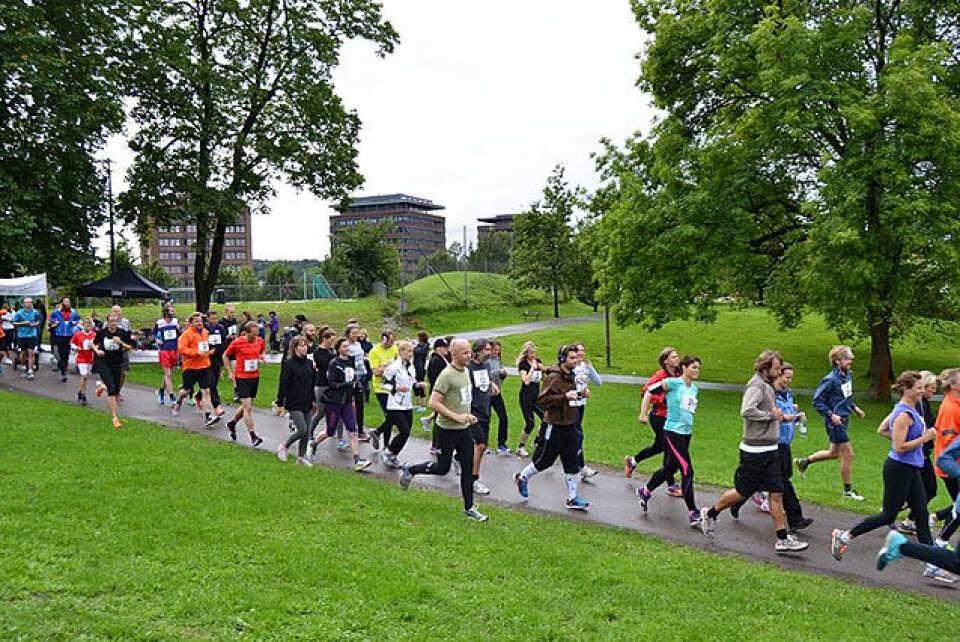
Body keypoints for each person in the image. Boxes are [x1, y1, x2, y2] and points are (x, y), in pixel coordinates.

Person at [830, 371, 954, 582]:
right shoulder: (904, 414)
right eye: (919, 389)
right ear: (907, 390)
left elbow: (884, 431)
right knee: (888, 515)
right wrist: (924, 439)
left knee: (922, 516)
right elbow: (899, 446)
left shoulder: (911, 410)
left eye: (923, 388)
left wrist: (912, 441)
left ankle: (932, 565)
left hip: (912, 468)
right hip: (899, 469)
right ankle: (844, 535)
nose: (923, 391)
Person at [698, 352, 809, 552]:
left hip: (771, 448)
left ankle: (782, 539)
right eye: (776, 368)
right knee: (742, 491)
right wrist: (770, 416)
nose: (779, 372)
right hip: (754, 450)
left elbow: (772, 412)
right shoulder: (756, 385)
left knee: (776, 493)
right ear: (765, 368)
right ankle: (711, 513)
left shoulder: (768, 385)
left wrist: (783, 417)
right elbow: (747, 410)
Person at [399, 338, 488, 522]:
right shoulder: (447, 375)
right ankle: (411, 469)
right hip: (446, 430)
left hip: (464, 429)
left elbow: (461, 399)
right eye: (465, 353)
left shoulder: (465, 371)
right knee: (442, 468)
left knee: (467, 467)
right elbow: (433, 402)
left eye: (469, 352)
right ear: (454, 354)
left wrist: (468, 415)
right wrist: (456, 417)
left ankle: (469, 508)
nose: (469, 355)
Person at [513, 344, 591, 511]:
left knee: (571, 462)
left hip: (570, 423)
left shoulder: (574, 375)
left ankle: (572, 498)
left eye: (576, 357)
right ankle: (523, 477)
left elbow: (574, 394)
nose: (575, 360)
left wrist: (582, 394)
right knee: (545, 461)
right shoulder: (554, 377)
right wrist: (564, 397)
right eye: (572, 358)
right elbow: (542, 400)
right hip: (554, 425)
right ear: (562, 359)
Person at [636, 355, 703, 526]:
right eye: (694, 367)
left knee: (669, 468)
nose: (697, 371)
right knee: (687, 469)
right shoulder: (673, 383)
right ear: (684, 367)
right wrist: (643, 413)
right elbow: (650, 390)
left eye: (698, 368)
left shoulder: (694, 389)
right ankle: (693, 512)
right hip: (672, 432)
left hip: (686, 433)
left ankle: (645, 491)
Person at [796, 345, 867, 500]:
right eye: (847, 358)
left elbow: (845, 396)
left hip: (844, 418)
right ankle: (847, 491)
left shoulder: (847, 375)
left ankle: (804, 462)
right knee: (848, 454)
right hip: (835, 422)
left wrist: (855, 408)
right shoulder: (830, 380)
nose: (851, 361)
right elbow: (817, 401)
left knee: (833, 453)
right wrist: (831, 415)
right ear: (837, 361)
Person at [307, 337, 372, 471]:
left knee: (353, 430)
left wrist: (356, 387)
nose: (347, 349)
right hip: (334, 401)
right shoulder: (334, 364)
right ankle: (313, 444)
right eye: (344, 347)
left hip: (347, 400)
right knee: (330, 431)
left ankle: (357, 460)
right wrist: (347, 384)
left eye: (348, 347)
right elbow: (332, 384)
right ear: (338, 349)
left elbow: (353, 377)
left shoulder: (350, 361)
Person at [625, 347, 681, 497]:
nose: (677, 359)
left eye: (677, 357)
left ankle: (633, 460)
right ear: (665, 360)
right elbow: (646, 392)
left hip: (672, 417)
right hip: (659, 417)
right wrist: (661, 400)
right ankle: (671, 485)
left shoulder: (678, 374)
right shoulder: (660, 376)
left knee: (658, 447)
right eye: (673, 357)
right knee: (668, 449)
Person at [896, 371, 939, 534]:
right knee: (928, 489)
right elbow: (896, 439)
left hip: (922, 453)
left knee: (927, 490)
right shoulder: (910, 408)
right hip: (917, 455)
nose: (933, 392)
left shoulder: (923, 404)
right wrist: (925, 438)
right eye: (931, 388)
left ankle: (907, 513)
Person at [376, 340, 423, 467]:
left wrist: (417, 385)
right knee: (404, 431)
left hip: (407, 404)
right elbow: (383, 384)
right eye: (408, 351)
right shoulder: (393, 367)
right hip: (395, 404)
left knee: (407, 432)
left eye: (412, 351)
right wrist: (396, 388)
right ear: (401, 352)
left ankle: (393, 455)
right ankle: (388, 452)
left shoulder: (410, 367)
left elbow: (411, 382)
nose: (411, 354)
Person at [277, 336, 318, 466]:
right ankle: (284, 446)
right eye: (301, 346)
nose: (304, 348)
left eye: (305, 346)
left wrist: (314, 400)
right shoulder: (289, 364)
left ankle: (301, 456)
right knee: (302, 429)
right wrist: (280, 402)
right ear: (295, 348)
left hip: (307, 400)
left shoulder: (309, 364)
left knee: (307, 431)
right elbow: (283, 383)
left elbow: (311, 383)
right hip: (294, 401)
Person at [171, 312, 217, 427]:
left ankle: (207, 416)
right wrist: (196, 353)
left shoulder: (205, 332)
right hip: (190, 367)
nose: (200, 323)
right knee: (185, 391)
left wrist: (208, 352)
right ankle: (178, 401)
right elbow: (181, 349)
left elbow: (205, 346)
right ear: (191, 323)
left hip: (204, 366)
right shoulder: (186, 335)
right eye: (197, 321)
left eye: (201, 321)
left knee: (206, 391)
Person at [223, 321, 265, 447]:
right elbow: (225, 355)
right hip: (242, 377)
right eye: (253, 334)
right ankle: (253, 436)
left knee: (246, 405)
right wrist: (230, 372)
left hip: (254, 376)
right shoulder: (237, 342)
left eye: (257, 333)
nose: (255, 336)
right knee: (248, 407)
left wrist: (262, 357)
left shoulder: (259, 341)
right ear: (246, 332)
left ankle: (232, 423)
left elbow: (262, 350)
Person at [932, 368, 960, 545]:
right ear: (952, 385)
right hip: (952, 467)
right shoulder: (950, 408)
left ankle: (936, 517)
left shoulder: (955, 403)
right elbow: (950, 441)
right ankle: (941, 542)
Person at [92, 312, 133, 428]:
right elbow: (93, 344)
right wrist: (97, 351)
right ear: (108, 322)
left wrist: (121, 342)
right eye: (111, 321)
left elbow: (130, 347)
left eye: (115, 321)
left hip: (116, 363)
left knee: (114, 389)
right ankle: (115, 418)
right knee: (111, 390)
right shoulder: (102, 332)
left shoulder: (122, 333)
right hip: (103, 362)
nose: (114, 324)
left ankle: (101, 387)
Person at [467, 338, 496, 496]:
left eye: (490, 350)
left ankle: (458, 458)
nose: (489, 353)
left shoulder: (485, 366)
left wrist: (492, 384)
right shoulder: (468, 368)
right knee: (480, 445)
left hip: (485, 410)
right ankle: (473, 480)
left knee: (480, 446)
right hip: (473, 411)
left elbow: (484, 381)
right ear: (477, 351)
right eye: (486, 350)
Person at [572, 343, 602, 480]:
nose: (581, 353)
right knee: (578, 435)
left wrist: (590, 368)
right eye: (578, 350)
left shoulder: (585, 366)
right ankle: (582, 467)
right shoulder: (569, 367)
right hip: (570, 404)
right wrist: (579, 391)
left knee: (572, 436)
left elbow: (598, 382)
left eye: (583, 351)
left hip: (581, 404)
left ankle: (542, 448)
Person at [515, 341, 545, 458]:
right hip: (526, 397)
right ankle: (520, 446)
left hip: (536, 396)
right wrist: (532, 369)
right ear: (526, 353)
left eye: (534, 352)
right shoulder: (523, 365)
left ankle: (537, 441)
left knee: (545, 418)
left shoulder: (538, 362)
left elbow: (544, 376)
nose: (533, 355)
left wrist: (543, 370)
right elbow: (526, 381)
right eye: (530, 353)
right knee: (530, 423)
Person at [368, 329, 399, 444]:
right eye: (390, 341)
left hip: (393, 386)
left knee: (391, 417)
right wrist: (388, 365)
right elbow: (376, 372)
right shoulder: (374, 351)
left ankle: (380, 436)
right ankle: (380, 436)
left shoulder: (394, 349)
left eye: (393, 341)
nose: (392, 343)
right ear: (384, 339)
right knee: (391, 416)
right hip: (381, 387)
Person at [308, 328, 337, 446]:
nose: (332, 342)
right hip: (321, 385)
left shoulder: (332, 352)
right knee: (320, 412)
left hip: (331, 385)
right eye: (331, 340)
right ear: (325, 339)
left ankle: (333, 432)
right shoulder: (318, 352)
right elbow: (324, 365)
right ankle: (310, 433)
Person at [200, 309, 227, 419]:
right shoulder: (203, 329)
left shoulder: (220, 328)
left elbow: (224, 343)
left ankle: (198, 395)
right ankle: (217, 406)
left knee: (214, 381)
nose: (215, 321)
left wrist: (216, 350)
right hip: (206, 359)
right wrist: (207, 351)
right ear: (208, 319)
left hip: (217, 358)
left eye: (216, 318)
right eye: (213, 318)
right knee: (211, 382)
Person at [420, 338, 450, 437]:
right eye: (444, 347)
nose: (446, 349)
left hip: (445, 391)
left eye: (447, 347)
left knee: (440, 415)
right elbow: (434, 377)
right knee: (439, 417)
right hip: (438, 391)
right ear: (438, 348)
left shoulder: (444, 359)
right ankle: (435, 443)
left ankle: (428, 420)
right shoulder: (436, 360)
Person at [48, 297, 80, 382]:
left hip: (69, 335)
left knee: (66, 354)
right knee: (61, 353)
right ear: (62, 303)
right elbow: (51, 321)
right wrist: (55, 322)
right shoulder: (56, 312)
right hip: (60, 334)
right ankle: (63, 372)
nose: (67, 303)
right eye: (65, 302)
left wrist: (74, 323)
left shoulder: (73, 312)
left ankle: (63, 367)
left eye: (68, 302)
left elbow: (77, 319)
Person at [487, 339, 510, 455]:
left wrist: (503, 375)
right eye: (494, 350)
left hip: (496, 393)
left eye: (498, 350)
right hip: (486, 393)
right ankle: (482, 443)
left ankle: (502, 444)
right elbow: (486, 374)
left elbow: (498, 378)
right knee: (486, 418)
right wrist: (498, 372)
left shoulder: (497, 360)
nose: (496, 352)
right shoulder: (486, 361)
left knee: (504, 417)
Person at [154, 304, 180, 405]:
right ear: (166, 312)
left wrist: (179, 329)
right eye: (172, 311)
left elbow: (180, 334)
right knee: (168, 374)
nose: (174, 313)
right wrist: (157, 340)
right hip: (164, 350)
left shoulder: (175, 322)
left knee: (169, 374)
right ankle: (172, 396)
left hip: (174, 349)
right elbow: (154, 334)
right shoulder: (160, 323)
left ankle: (161, 390)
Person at [70, 317, 97, 405]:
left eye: (90, 324)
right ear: (83, 325)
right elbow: (72, 343)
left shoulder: (94, 335)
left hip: (90, 358)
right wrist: (76, 348)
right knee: (84, 376)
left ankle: (81, 391)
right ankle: (83, 394)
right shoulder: (78, 334)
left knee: (86, 377)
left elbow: (98, 344)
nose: (88, 326)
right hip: (81, 358)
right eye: (86, 324)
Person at [12, 297, 41, 379]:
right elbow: (14, 323)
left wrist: (34, 324)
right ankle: (23, 366)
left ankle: (30, 371)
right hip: (22, 335)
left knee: (31, 352)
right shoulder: (19, 313)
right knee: (23, 353)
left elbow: (38, 321)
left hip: (32, 335)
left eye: (30, 303)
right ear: (24, 304)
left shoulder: (35, 312)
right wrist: (23, 323)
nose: (28, 304)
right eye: (26, 303)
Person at [109, 305, 132, 399]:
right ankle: (112, 390)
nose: (116, 313)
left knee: (123, 372)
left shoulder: (125, 322)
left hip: (122, 349)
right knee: (112, 372)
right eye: (114, 311)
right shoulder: (107, 322)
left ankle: (118, 391)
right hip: (111, 350)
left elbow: (128, 335)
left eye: (118, 311)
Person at [413, 332, 430, 411]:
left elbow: (417, 352)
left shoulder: (425, 346)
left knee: (420, 385)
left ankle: (422, 404)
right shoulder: (420, 345)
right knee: (415, 385)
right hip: (416, 367)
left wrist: (413, 346)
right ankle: (418, 403)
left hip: (420, 368)